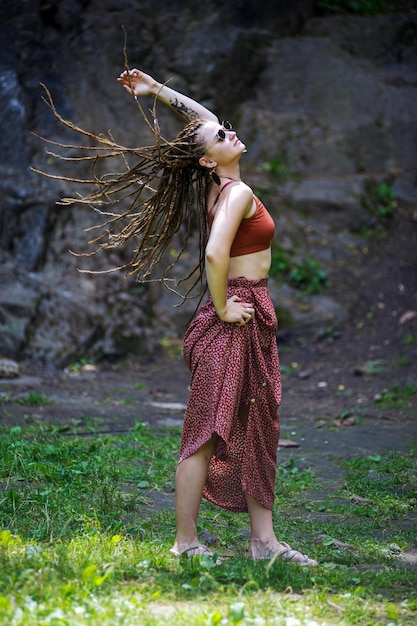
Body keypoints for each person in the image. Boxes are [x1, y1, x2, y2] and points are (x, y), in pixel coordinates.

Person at [115, 68, 317, 567]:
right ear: (208, 159)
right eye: (220, 135)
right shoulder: (237, 194)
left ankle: (263, 542)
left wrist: (158, 91)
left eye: (226, 126)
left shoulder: (220, 183)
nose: (228, 129)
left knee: (255, 426)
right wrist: (225, 306)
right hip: (235, 315)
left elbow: (203, 120)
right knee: (207, 430)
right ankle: (185, 544)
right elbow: (214, 254)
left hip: (247, 316)